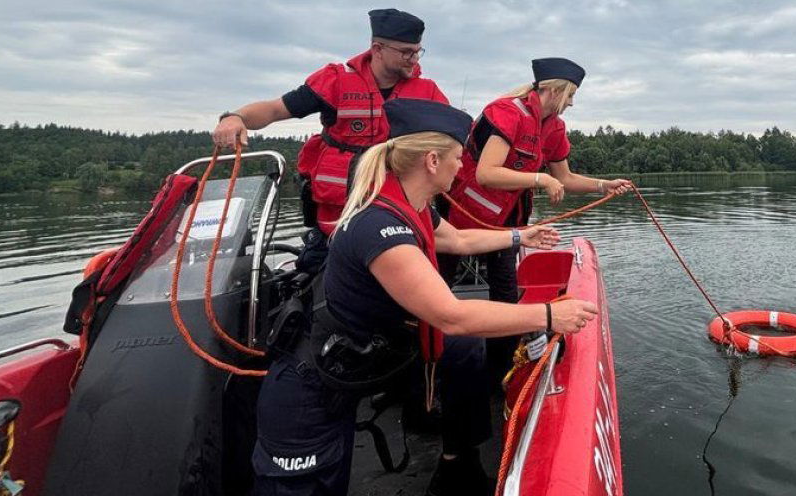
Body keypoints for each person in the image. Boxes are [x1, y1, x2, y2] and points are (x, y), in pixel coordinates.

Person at [253, 99, 598, 496]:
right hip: (313, 388)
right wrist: (549, 316)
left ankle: (458, 465)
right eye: (457, 157)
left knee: (463, 350)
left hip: (367, 350)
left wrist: (520, 236)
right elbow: (451, 315)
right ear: (432, 161)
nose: (463, 167)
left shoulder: (410, 205)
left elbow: (458, 239)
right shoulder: (381, 228)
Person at [212, 8, 447, 273]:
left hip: (396, 221)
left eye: (417, 51)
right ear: (378, 48)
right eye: (406, 51)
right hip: (334, 224)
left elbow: (454, 141)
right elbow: (276, 109)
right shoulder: (335, 81)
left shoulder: (428, 92)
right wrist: (235, 117)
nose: (414, 59)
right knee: (312, 288)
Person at [441, 57, 634, 377]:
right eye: (570, 96)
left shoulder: (555, 128)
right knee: (439, 287)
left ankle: (500, 372)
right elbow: (487, 173)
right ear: (556, 91)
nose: (572, 103)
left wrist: (604, 185)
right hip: (461, 214)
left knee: (505, 293)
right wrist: (539, 179)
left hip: (506, 223)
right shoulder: (506, 112)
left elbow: (566, 178)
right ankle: (429, 365)